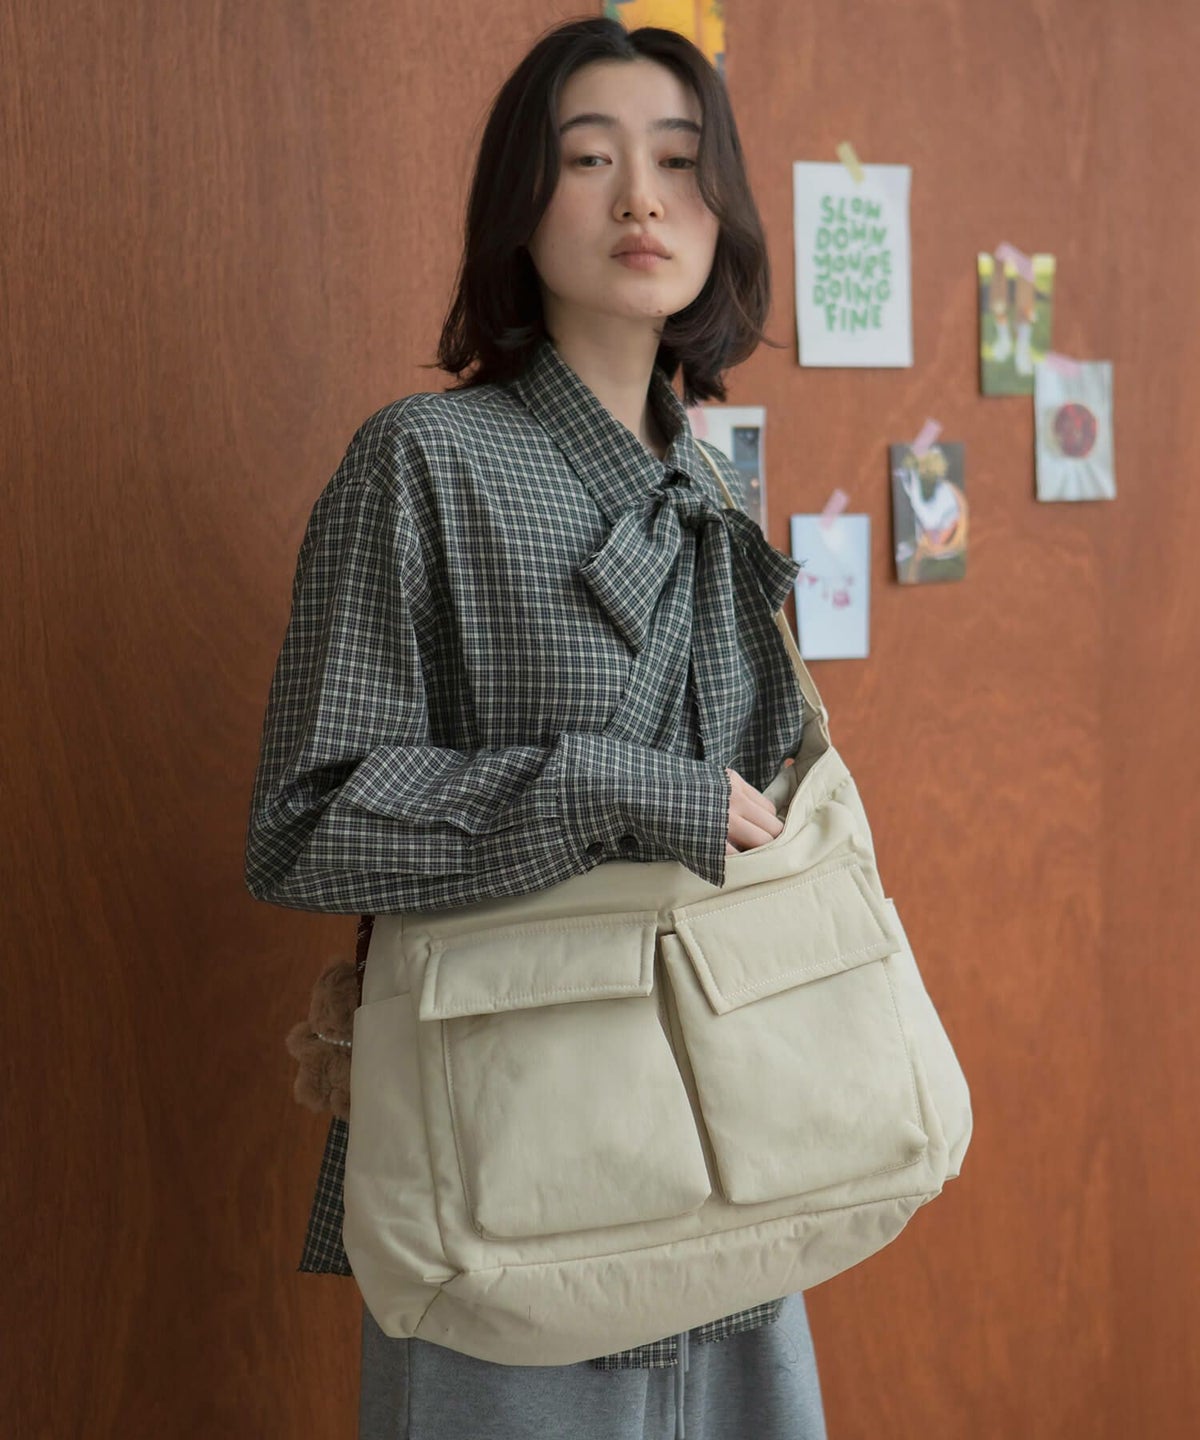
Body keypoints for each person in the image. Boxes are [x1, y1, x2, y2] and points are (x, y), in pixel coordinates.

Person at [245, 15, 828, 1440]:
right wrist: (616, 789)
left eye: (679, 162)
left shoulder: (712, 490)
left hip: (737, 1168)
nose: (642, 199)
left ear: (723, 211)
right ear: (521, 199)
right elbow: (307, 826)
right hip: (514, 1172)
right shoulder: (421, 462)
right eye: (588, 158)